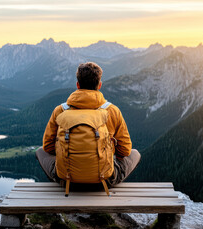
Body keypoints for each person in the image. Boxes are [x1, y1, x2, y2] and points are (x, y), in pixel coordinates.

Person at [36, 62, 141, 190]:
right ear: (99, 85)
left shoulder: (60, 110)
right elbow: (124, 151)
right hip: (104, 181)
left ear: (78, 85)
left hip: (68, 181)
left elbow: (48, 147)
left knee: (40, 151)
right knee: (135, 153)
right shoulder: (112, 111)